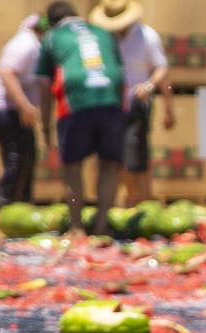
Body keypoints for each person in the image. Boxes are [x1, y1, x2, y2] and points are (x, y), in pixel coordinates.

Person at [36, 1, 125, 239]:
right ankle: (102, 225)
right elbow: (119, 71)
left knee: (72, 168)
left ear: (52, 21)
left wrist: (45, 127)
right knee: (109, 164)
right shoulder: (103, 31)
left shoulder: (53, 37)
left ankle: (76, 227)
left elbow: (44, 86)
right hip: (110, 99)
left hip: (77, 102)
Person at [89, 0, 175, 207]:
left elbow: (162, 69)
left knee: (136, 157)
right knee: (116, 156)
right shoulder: (105, 39)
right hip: (112, 103)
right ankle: (131, 199)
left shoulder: (147, 36)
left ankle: (141, 201)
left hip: (137, 103)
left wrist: (151, 88)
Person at [0, 14, 45, 208]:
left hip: (13, 109)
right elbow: (7, 72)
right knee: (15, 156)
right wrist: (24, 106)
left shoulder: (34, 45)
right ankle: (7, 202)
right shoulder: (25, 44)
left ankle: (23, 202)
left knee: (28, 154)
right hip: (4, 109)